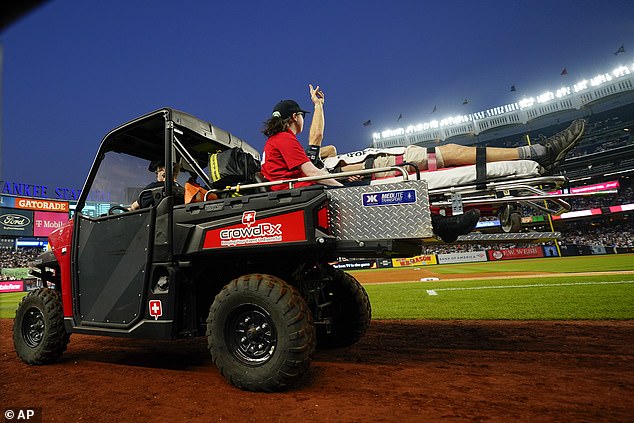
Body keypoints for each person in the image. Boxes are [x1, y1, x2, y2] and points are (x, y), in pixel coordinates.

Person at [260, 84, 481, 242]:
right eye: (301, 116)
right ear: (294, 117)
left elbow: (311, 161)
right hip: (305, 194)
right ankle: (441, 226)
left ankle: (440, 225)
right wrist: (342, 187)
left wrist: (341, 179)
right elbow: (310, 170)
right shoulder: (284, 139)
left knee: (373, 191)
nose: (303, 120)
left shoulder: (275, 141)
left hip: (302, 192)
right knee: (381, 195)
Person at [318, 120, 586, 177]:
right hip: (386, 167)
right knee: (454, 152)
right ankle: (540, 152)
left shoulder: (325, 161)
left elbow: (324, 144)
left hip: (392, 159)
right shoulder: (318, 168)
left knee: (455, 155)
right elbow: (318, 139)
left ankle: (537, 157)